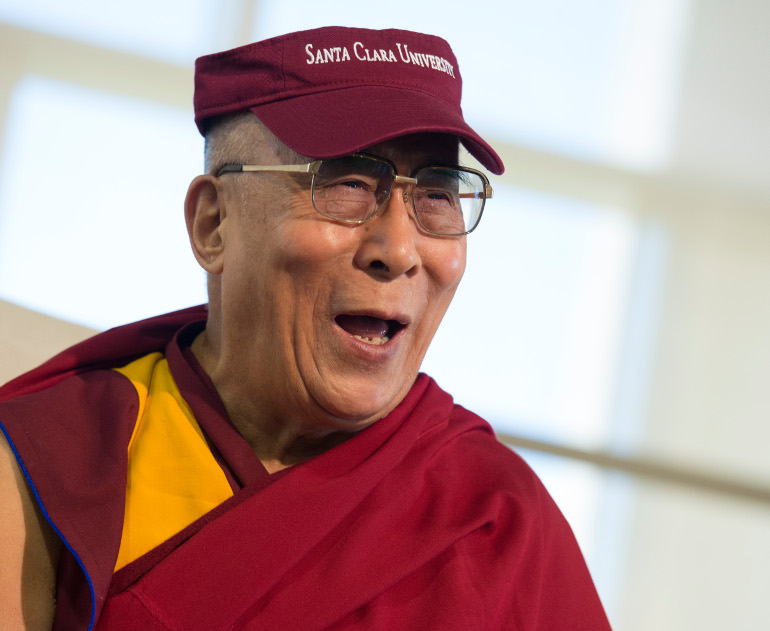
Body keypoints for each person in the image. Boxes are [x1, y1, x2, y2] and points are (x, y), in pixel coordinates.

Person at [0, 26, 611, 630]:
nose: (398, 249)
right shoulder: (61, 459)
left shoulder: (496, 518)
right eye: (345, 183)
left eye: (437, 193)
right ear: (214, 224)